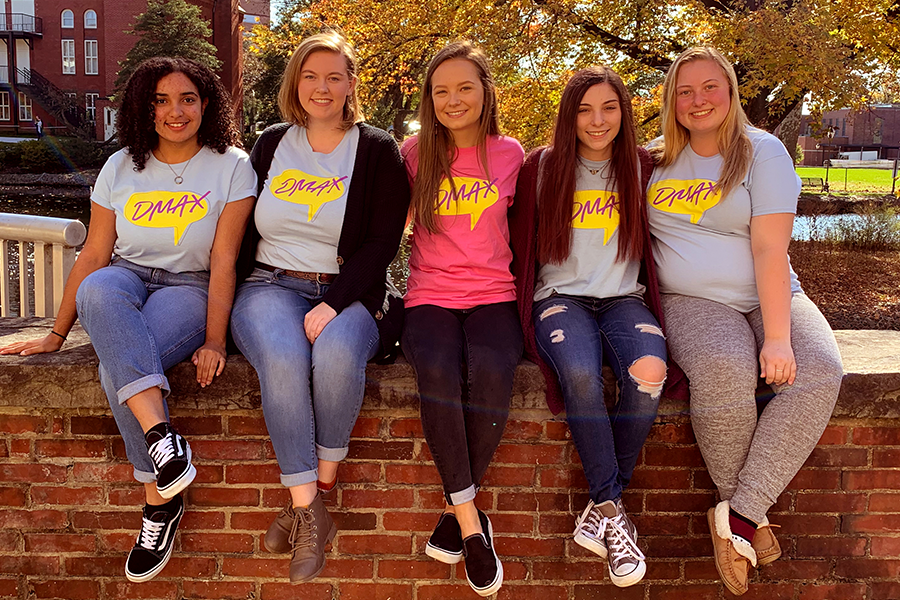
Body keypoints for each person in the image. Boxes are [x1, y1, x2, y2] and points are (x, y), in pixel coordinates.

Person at [0, 57, 256, 582]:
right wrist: (54, 334)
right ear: (144, 109)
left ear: (205, 103)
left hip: (190, 285)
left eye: (186, 98)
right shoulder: (121, 166)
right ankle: (164, 442)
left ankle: (156, 499)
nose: (174, 111)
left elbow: (226, 258)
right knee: (98, 285)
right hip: (127, 275)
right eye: (160, 101)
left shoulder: (232, 165)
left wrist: (214, 339)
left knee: (121, 366)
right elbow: (94, 254)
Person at [647, 46, 843, 596]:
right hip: (689, 300)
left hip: (769, 294)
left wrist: (778, 337)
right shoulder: (654, 159)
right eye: (684, 91)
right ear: (671, 100)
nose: (698, 100)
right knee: (724, 367)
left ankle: (739, 512)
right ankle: (746, 522)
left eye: (710, 87)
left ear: (731, 91)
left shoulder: (763, 152)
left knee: (821, 370)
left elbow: (768, 251)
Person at [229, 31, 409, 583]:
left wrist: (332, 303)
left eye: (334, 76)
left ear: (352, 82)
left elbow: (382, 242)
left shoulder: (377, 149)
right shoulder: (272, 143)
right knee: (283, 358)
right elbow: (238, 229)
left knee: (334, 356)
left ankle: (309, 499)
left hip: (349, 289)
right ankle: (312, 510)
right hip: (269, 287)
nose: (322, 87)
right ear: (295, 83)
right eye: (310, 76)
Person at [509, 66, 666, 587]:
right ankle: (614, 515)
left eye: (609, 108)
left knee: (648, 375)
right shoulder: (544, 167)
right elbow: (514, 240)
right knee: (579, 372)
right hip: (559, 299)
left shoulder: (643, 167)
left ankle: (602, 505)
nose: (597, 121)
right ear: (567, 115)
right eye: (583, 109)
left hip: (624, 299)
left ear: (625, 112)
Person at [400, 41, 524, 598]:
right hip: (429, 293)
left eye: (465, 87)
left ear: (485, 92)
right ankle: (474, 526)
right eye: (441, 90)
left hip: (495, 292)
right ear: (429, 98)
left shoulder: (511, 154)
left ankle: (455, 507)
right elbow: (384, 222)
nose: (453, 100)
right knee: (436, 371)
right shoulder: (412, 153)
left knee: (496, 370)